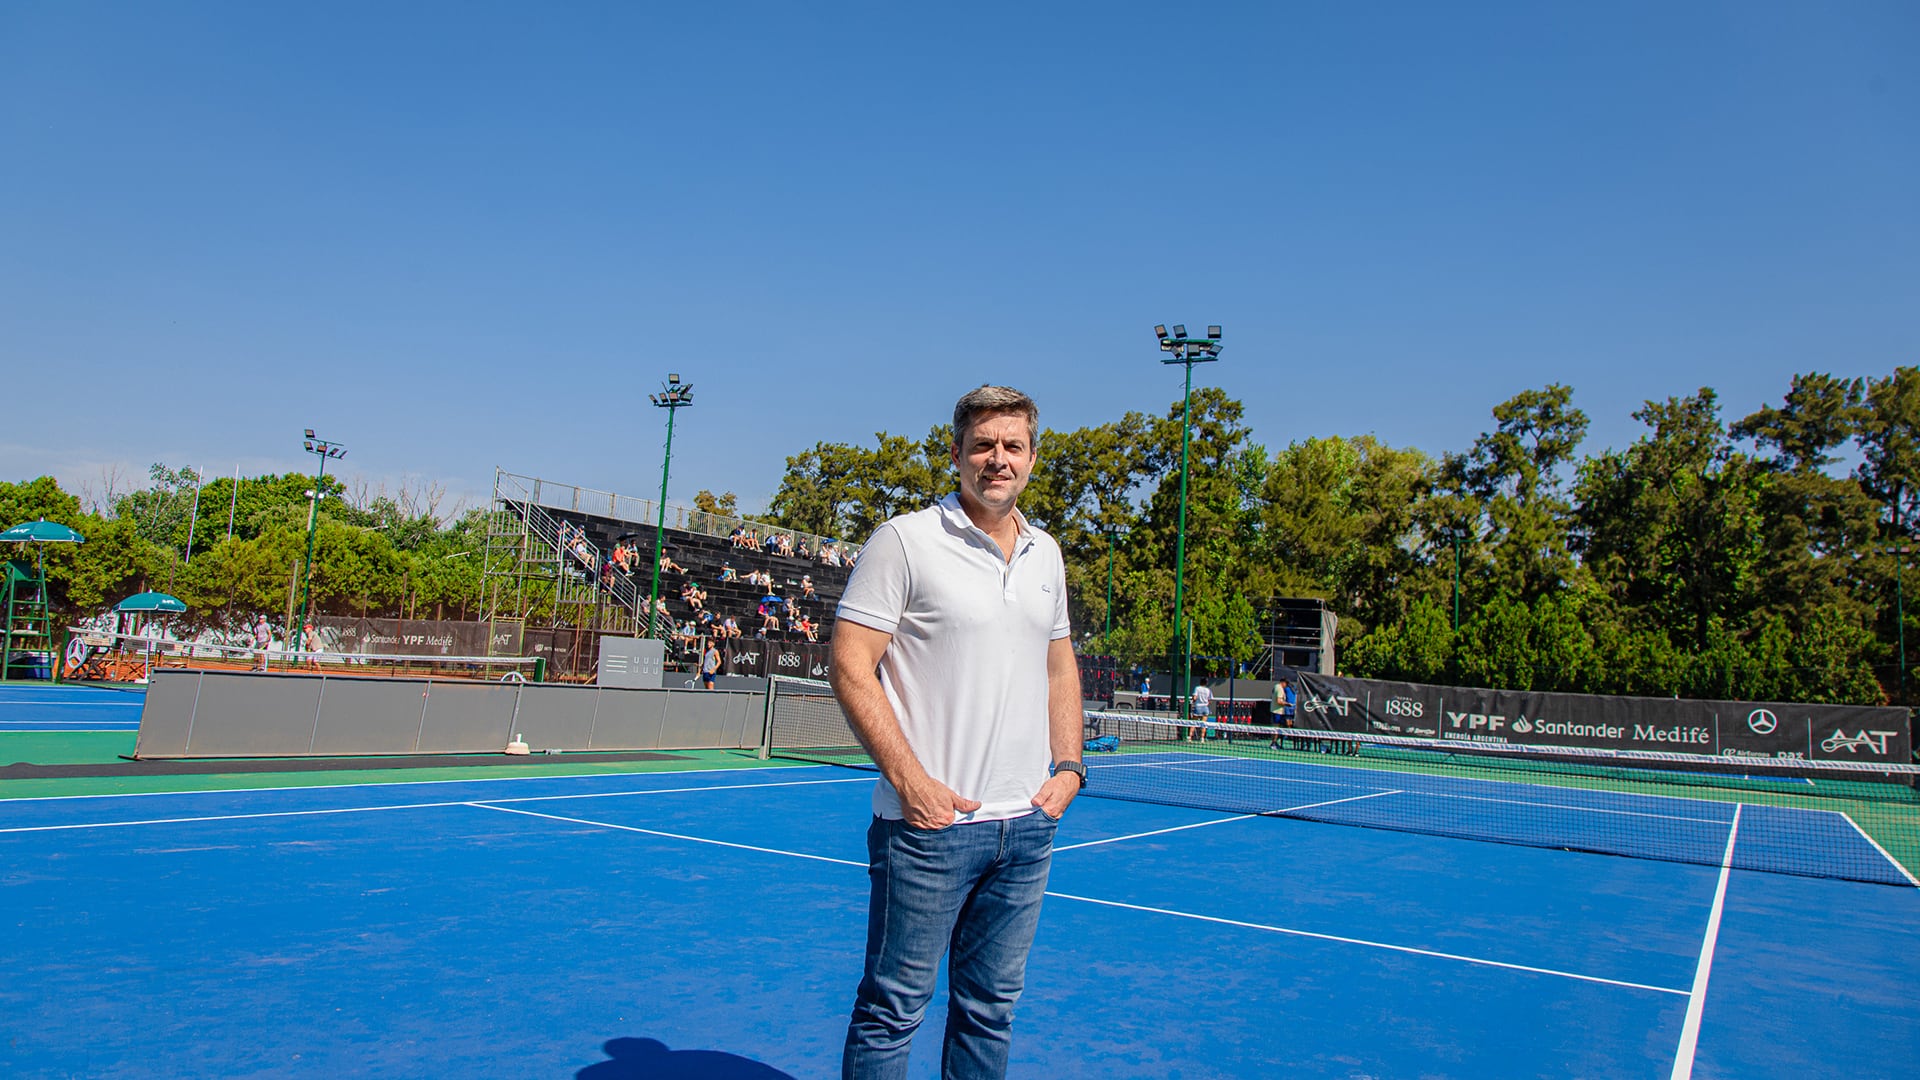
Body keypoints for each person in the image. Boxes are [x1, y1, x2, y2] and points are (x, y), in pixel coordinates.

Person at [831, 385, 1079, 1078]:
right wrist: (912, 783)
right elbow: (850, 665)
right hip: (927, 829)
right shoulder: (904, 541)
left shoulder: (1046, 554)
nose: (998, 460)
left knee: (990, 1010)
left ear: (1032, 456)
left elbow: (1059, 666)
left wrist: (1068, 768)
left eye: (1013, 446)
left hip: (1026, 829)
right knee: (892, 1011)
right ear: (957, 454)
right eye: (983, 446)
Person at [1269, 676, 1297, 751]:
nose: (1286, 685)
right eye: (1286, 683)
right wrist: (1288, 704)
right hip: (1277, 712)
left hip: (1279, 712)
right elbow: (1279, 701)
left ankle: (1274, 742)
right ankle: (1273, 743)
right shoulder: (1279, 689)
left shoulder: (1276, 687)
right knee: (1276, 728)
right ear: (1283, 682)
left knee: (1278, 728)